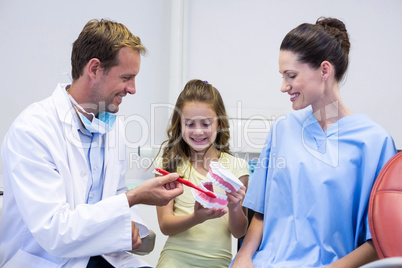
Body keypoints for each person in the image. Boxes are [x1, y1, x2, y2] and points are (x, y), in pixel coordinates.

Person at [0, 19, 183, 268]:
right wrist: (134, 197)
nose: (133, 89)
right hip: (47, 260)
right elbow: (56, 232)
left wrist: (128, 223)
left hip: (103, 255)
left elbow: (116, 192)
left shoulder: (110, 127)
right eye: (126, 77)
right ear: (94, 69)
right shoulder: (32, 130)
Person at [231, 17, 397, 268]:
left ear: (324, 70)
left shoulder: (374, 142)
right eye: (282, 76)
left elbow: (380, 240)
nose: (283, 86)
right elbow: (261, 213)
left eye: (291, 75)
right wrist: (243, 257)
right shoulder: (282, 130)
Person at [153, 79, 249, 267]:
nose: (198, 131)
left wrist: (235, 207)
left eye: (206, 124)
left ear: (219, 124)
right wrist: (196, 218)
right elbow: (165, 225)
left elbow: (239, 232)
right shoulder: (168, 165)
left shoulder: (238, 167)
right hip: (175, 260)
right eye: (189, 124)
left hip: (218, 263)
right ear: (179, 125)